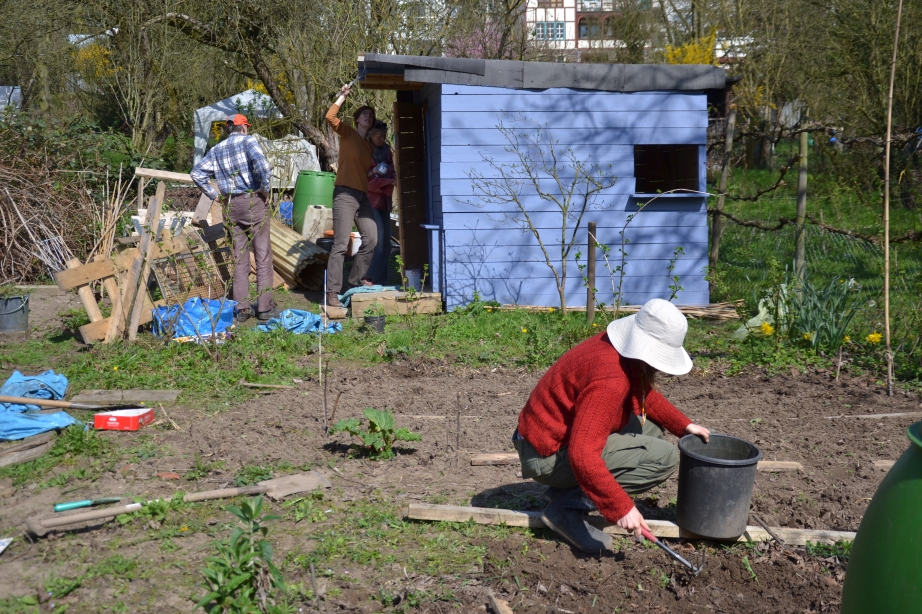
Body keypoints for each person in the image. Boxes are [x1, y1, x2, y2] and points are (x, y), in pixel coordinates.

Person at [513, 299, 711, 553]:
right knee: (664, 458)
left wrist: (684, 425)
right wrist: (620, 506)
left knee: (650, 431)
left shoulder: (614, 348)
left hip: (544, 437)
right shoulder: (610, 380)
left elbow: (642, 394)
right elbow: (582, 454)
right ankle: (566, 508)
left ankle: (565, 493)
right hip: (545, 454)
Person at [190, 113, 275, 323]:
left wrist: (215, 196)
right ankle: (264, 308)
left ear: (229, 129)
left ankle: (242, 309)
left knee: (240, 257)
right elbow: (263, 167)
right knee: (263, 255)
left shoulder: (216, 149)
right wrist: (265, 190)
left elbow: (196, 173)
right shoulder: (248, 141)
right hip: (252, 200)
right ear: (244, 127)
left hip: (231, 204)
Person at [324, 85, 377, 317]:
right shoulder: (347, 133)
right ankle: (332, 292)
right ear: (357, 119)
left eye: (371, 114)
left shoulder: (369, 146)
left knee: (372, 238)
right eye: (364, 113)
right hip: (344, 194)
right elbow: (330, 116)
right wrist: (343, 96)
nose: (368, 115)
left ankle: (354, 282)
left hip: (361, 196)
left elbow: (364, 170)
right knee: (340, 244)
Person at [363, 121, 395, 286]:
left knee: (387, 243)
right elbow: (367, 181)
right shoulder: (366, 150)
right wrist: (388, 182)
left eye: (384, 136)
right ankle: (370, 277)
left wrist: (389, 180)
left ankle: (381, 279)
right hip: (371, 201)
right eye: (378, 136)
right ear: (370, 135)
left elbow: (392, 170)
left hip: (385, 200)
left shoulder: (387, 150)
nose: (382, 139)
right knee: (378, 240)